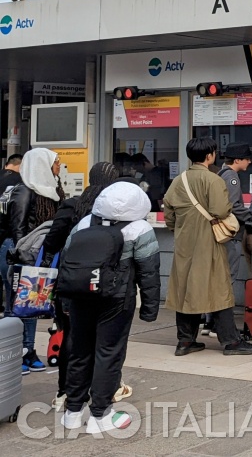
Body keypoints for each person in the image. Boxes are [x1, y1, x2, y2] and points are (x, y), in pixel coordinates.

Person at [59, 181, 160, 435]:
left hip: (81, 296)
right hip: (117, 299)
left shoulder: (85, 224)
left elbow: (67, 264)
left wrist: (65, 302)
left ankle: (73, 412)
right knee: (109, 353)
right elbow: (149, 273)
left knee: (79, 351)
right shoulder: (140, 229)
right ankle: (100, 414)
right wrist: (149, 309)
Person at [163, 137, 252, 357]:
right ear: (209, 155)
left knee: (185, 290)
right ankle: (231, 341)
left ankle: (185, 341)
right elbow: (221, 210)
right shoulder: (213, 180)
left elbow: (168, 211)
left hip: (184, 244)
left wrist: (180, 228)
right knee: (219, 289)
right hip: (210, 242)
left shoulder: (179, 180)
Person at [42, 162, 123, 412]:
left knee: (71, 334)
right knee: (106, 339)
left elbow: (51, 242)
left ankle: (65, 392)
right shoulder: (117, 209)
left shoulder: (71, 206)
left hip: (71, 281)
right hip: (106, 283)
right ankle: (104, 391)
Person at [1, 147, 64, 373]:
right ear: (42, 165)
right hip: (19, 252)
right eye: (56, 162)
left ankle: (28, 350)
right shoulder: (24, 190)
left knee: (33, 304)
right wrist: (24, 258)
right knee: (16, 306)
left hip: (38, 253)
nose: (59, 166)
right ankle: (12, 354)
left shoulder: (52, 190)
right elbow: (17, 228)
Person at [218, 144, 252, 302]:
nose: (249, 162)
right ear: (237, 160)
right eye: (247, 158)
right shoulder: (231, 176)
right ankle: (221, 315)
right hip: (229, 234)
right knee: (228, 276)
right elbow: (232, 205)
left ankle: (211, 314)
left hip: (220, 234)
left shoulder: (220, 173)